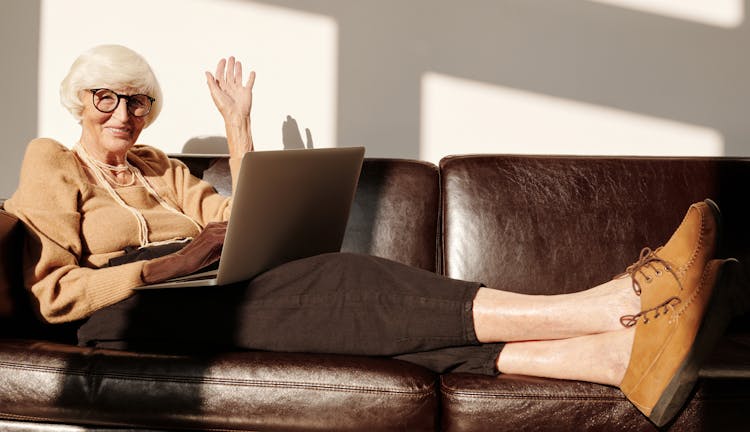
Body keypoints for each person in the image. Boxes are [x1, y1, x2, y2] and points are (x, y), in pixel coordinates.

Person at [3, 44, 736, 427]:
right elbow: (53, 291)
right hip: (122, 311)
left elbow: (241, 219)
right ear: (78, 100)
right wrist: (162, 270)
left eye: (136, 100)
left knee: (372, 318)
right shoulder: (53, 159)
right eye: (106, 97)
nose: (122, 112)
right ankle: (612, 305)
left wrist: (237, 127)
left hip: (198, 287)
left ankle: (614, 360)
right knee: (344, 280)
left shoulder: (161, 169)